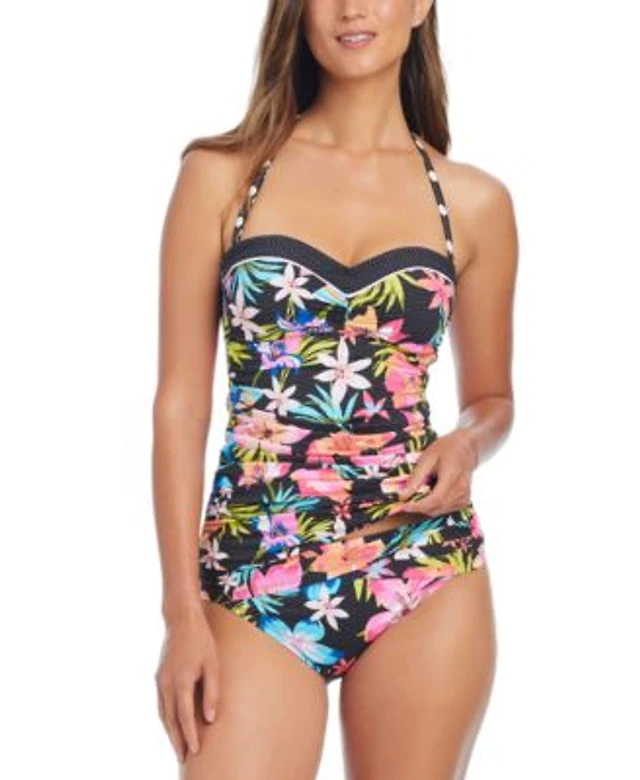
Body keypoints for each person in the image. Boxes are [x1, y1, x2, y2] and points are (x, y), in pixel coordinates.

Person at [152, 1, 518, 777]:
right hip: (254, 564)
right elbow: (180, 406)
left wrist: (467, 443)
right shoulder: (222, 176)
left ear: (420, 5)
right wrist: (181, 611)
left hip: (423, 563)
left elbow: (494, 398)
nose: (353, 7)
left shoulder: (473, 203)